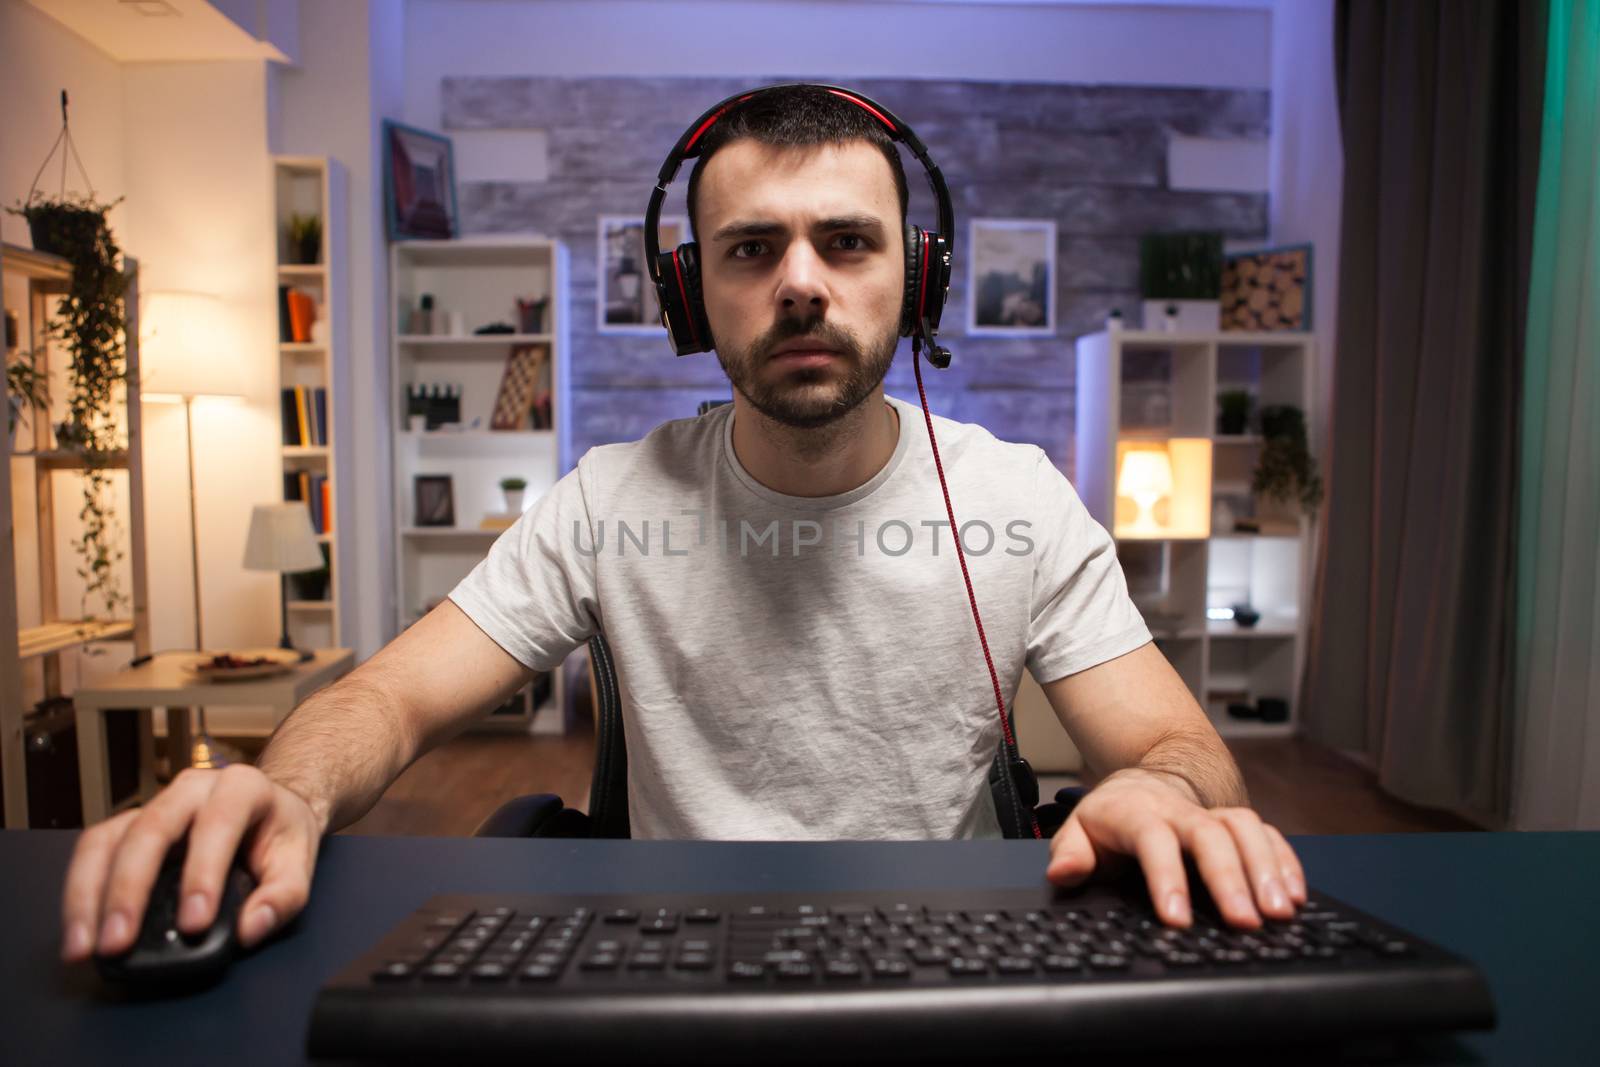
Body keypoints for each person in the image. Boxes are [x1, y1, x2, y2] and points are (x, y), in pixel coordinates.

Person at [60, 85, 1304, 966]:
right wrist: (281, 787)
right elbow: (386, 699)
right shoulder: (609, 498)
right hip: (672, 956)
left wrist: (1165, 788)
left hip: (953, 950)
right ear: (690, 295)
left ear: (912, 280)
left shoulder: (1014, 496)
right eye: (752, 248)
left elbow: (1181, 751)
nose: (802, 281)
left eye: (847, 241)